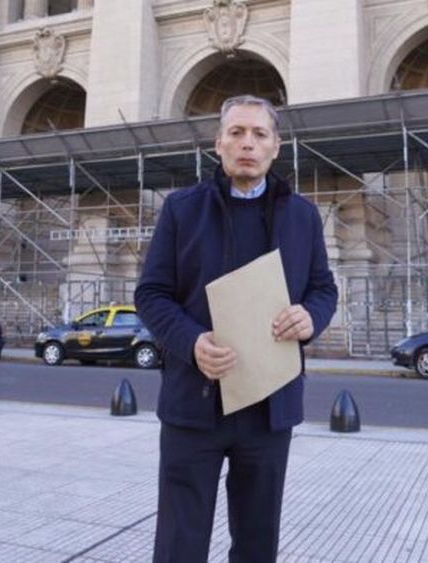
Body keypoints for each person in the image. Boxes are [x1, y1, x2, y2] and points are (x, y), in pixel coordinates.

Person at [135, 95, 338, 563]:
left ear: (276, 147)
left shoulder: (303, 216)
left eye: (259, 134)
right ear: (218, 145)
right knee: (179, 543)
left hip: (269, 410)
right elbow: (151, 294)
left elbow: (324, 289)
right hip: (194, 404)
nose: (247, 143)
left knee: (256, 542)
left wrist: (311, 317)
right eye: (237, 133)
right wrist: (191, 342)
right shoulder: (182, 210)